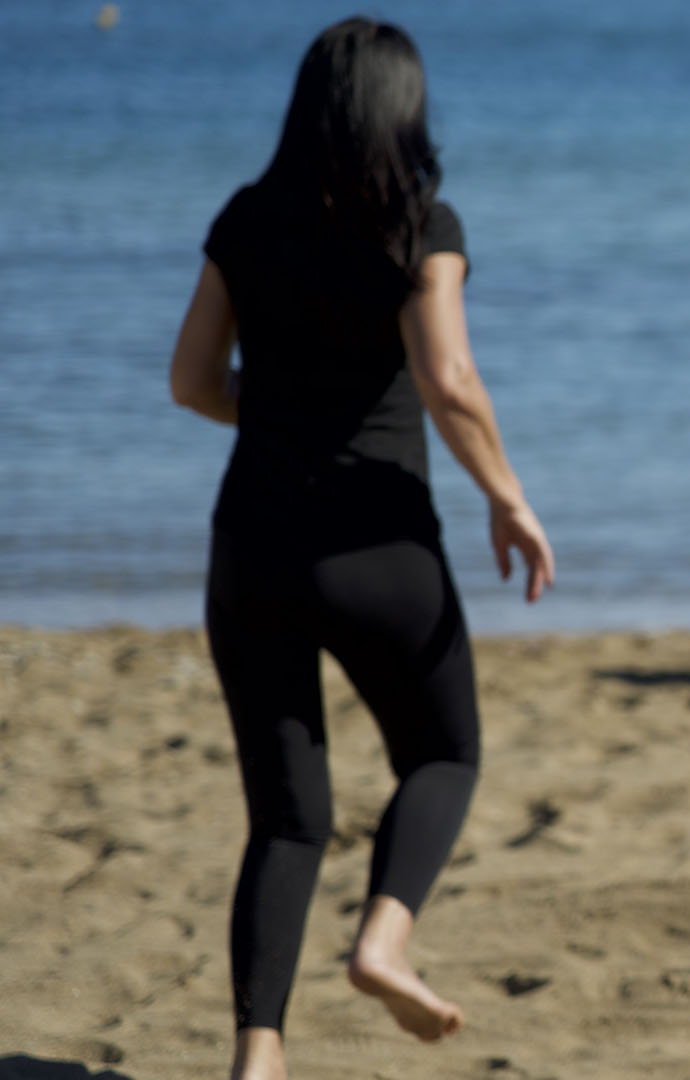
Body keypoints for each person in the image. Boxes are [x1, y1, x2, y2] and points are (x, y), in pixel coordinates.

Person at [167, 17, 555, 1080]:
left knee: (287, 821)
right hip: (380, 545)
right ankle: (383, 939)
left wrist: (286, 414)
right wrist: (510, 497)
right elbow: (449, 381)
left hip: (253, 545)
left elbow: (193, 383)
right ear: (406, 110)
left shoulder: (244, 221)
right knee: (444, 753)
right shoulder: (423, 224)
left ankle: (258, 1056)